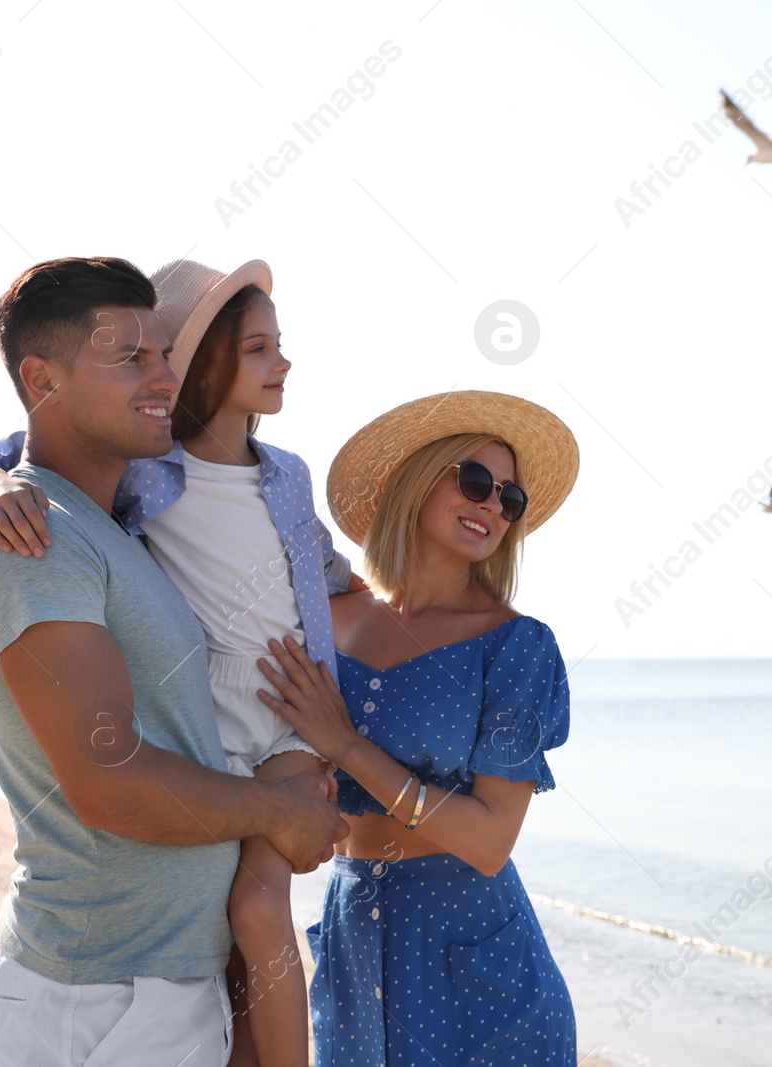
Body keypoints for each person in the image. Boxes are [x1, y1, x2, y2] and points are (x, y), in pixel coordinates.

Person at [0, 258, 358, 1067]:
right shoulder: (33, 537)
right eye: (130, 358)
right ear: (42, 379)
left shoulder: (123, 524)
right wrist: (278, 810)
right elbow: (109, 782)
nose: (165, 377)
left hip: (158, 980)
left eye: (165, 353)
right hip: (100, 993)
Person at [254, 390, 581, 1064]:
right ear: (414, 479)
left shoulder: (517, 647)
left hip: (479, 961)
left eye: (509, 499)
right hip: (353, 934)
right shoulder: (323, 617)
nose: (493, 504)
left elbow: (490, 840)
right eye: (475, 480)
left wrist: (347, 744)